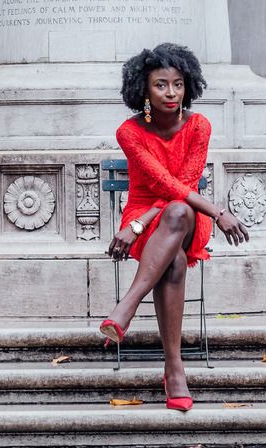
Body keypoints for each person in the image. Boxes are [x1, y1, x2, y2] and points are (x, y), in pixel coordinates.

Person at [100, 43, 249, 411]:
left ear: (189, 86)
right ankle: (174, 368)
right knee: (176, 262)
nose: (171, 93)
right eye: (161, 85)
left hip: (178, 220)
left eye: (178, 84)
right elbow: (164, 184)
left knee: (180, 211)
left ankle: (127, 307)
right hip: (151, 223)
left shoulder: (198, 126)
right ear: (143, 90)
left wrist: (140, 223)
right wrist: (217, 211)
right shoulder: (129, 132)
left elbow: (181, 185)